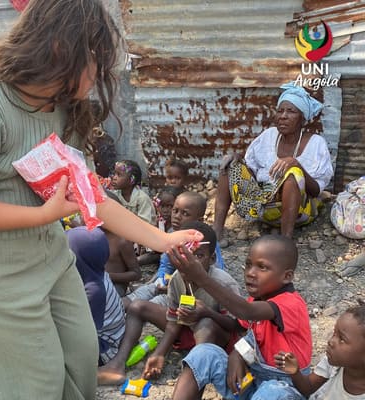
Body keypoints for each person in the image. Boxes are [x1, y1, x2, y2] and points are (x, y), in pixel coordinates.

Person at [0, 1, 202, 399]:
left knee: (81, 359)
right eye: (97, 60)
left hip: (52, 262)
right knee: (38, 387)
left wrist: (162, 240)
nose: (100, 75)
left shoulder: (61, 107)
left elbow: (89, 193)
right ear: (62, 48)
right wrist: (42, 215)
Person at [97, 221, 241, 385]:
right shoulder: (177, 279)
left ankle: (194, 374)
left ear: (212, 258)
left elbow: (237, 326)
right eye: (183, 254)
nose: (189, 262)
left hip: (215, 338)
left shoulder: (223, 283)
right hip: (186, 331)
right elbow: (173, 322)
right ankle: (117, 364)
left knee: (205, 323)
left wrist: (207, 312)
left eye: (199, 256)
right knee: (137, 306)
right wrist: (159, 353)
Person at [171, 234, 312, 400]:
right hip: (252, 381)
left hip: (286, 388)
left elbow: (246, 312)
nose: (251, 273)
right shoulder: (257, 299)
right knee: (203, 353)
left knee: (272, 391)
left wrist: (201, 278)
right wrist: (236, 354)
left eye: (262, 267)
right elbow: (238, 327)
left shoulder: (291, 304)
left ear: (286, 276)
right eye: (248, 264)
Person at [213, 82, 333, 239]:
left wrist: (296, 164)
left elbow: (316, 191)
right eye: (280, 111)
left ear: (303, 119)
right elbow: (251, 172)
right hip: (261, 209)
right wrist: (237, 159)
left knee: (293, 173)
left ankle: (285, 240)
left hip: (299, 212)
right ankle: (215, 233)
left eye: (291, 111)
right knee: (229, 165)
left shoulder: (316, 143)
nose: (283, 116)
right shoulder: (268, 136)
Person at [125, 191, 225, 310]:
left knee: (150, 305)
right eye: (175, 210)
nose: (177, 216)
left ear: (199, 220)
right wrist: (162, 280)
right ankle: (117, 308)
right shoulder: (172, 234)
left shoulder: (205, 241)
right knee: (146, 291)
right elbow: (166, 265)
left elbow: (215, 273)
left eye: (185, 213)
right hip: (174, 282)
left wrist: (172, 287)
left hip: (196, 292)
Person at [275, 304, 365, 399]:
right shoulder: (334, 365)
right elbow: (307, 387)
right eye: (334, 333)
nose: (331, 341)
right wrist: (295, 372)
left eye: (342, 339)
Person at [66, 226, 126, 366]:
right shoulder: (95, 272)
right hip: (109, 333)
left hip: (105, 347)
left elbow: (84, 335)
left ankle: (98, 373)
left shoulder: (93, 292)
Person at [102, 191, 142, 296]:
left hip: (115, 286)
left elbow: (136, 274)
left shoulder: (122, 240)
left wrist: (107, 276)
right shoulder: (91, 233)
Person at [138, 185, 183, 266]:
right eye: (162, 206)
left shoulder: (178, 225)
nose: (165, 210)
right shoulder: (160, 222)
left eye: (169, 206)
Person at [111, 159, 156, 225]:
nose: (114, 178)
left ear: (132, 179)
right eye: (114, 174)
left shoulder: (142, 199)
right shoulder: (114, 195)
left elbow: (145, 224)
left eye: (119, 175)